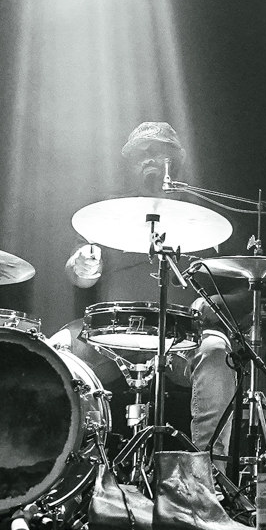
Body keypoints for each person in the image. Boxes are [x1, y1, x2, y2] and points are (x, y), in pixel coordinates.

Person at [63, 123, 241, 470]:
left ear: (178, 161)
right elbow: (78, 274)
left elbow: (238, 282)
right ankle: (65, 471)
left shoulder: (202, 216)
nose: (150, 161)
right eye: (141, 155)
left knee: (218, 353)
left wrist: (215, 304)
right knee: (56, 351)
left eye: (160, 153)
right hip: (110, 332)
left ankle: (208, 475)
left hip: (180, 335)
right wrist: (82, 264)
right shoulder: (108, 211)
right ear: (130, 165)